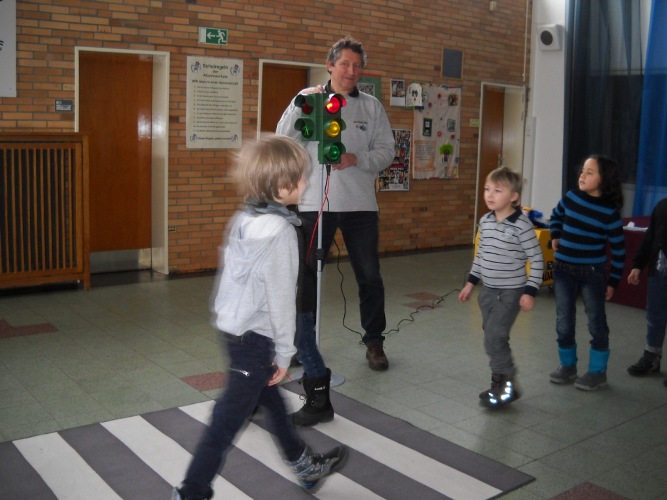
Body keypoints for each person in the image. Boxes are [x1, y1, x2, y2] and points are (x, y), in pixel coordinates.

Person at [173, 135, 347, 500]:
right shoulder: (281, 232)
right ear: (282, 186)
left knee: (271, 400)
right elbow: (281, 300)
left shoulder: (243, 217)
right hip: (254, 338)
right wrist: (284, 354)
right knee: (225, 422)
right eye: (301, 177)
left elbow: (231, 277)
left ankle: (304, 466)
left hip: (234, 332)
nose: (306, 183)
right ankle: (192, 492)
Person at [276, 36, 395, 373]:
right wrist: (301, 104)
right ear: (330, 66)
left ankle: (374, 341)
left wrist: (356, 158)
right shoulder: (308, 100)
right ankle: (303, 343)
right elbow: (283, 140)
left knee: (369, 275)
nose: (351, 71)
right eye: (344, 64)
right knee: (307, 276)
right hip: (313, 203)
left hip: (360, 206)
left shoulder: (371, 107)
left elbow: (387, 152)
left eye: (357, 65)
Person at [458, 167, 544, 408]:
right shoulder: (485, 221)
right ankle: (503, 381)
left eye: (497, 190)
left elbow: (537, 258)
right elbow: (481, 255)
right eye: (487, 189)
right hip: (488, 292)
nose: (489, 194)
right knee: (493, 337)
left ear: (513, 196)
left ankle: (504, 384)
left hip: (510, 292)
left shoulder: (521, 225)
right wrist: (470, 284)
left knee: (494, 337)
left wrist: (530, 290)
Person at [549, 155, 625, 391]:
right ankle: (568, 366)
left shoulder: (609, 212)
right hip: (563, 270)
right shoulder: (571, 197)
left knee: (596, 322)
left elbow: (619, 251)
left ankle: (597, 372)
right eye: (582, 170)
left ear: (604, 179)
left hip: (592, 274)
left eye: (589, 172)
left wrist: (612, 281)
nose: (582, 175)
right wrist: (555, 234)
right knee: (563, 321)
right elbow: (556, 215)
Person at [626, 197, 667, 385]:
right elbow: (650, 237)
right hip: (659, 271)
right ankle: (652, 357)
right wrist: (638, 265)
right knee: (655, 315)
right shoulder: (662, 205)